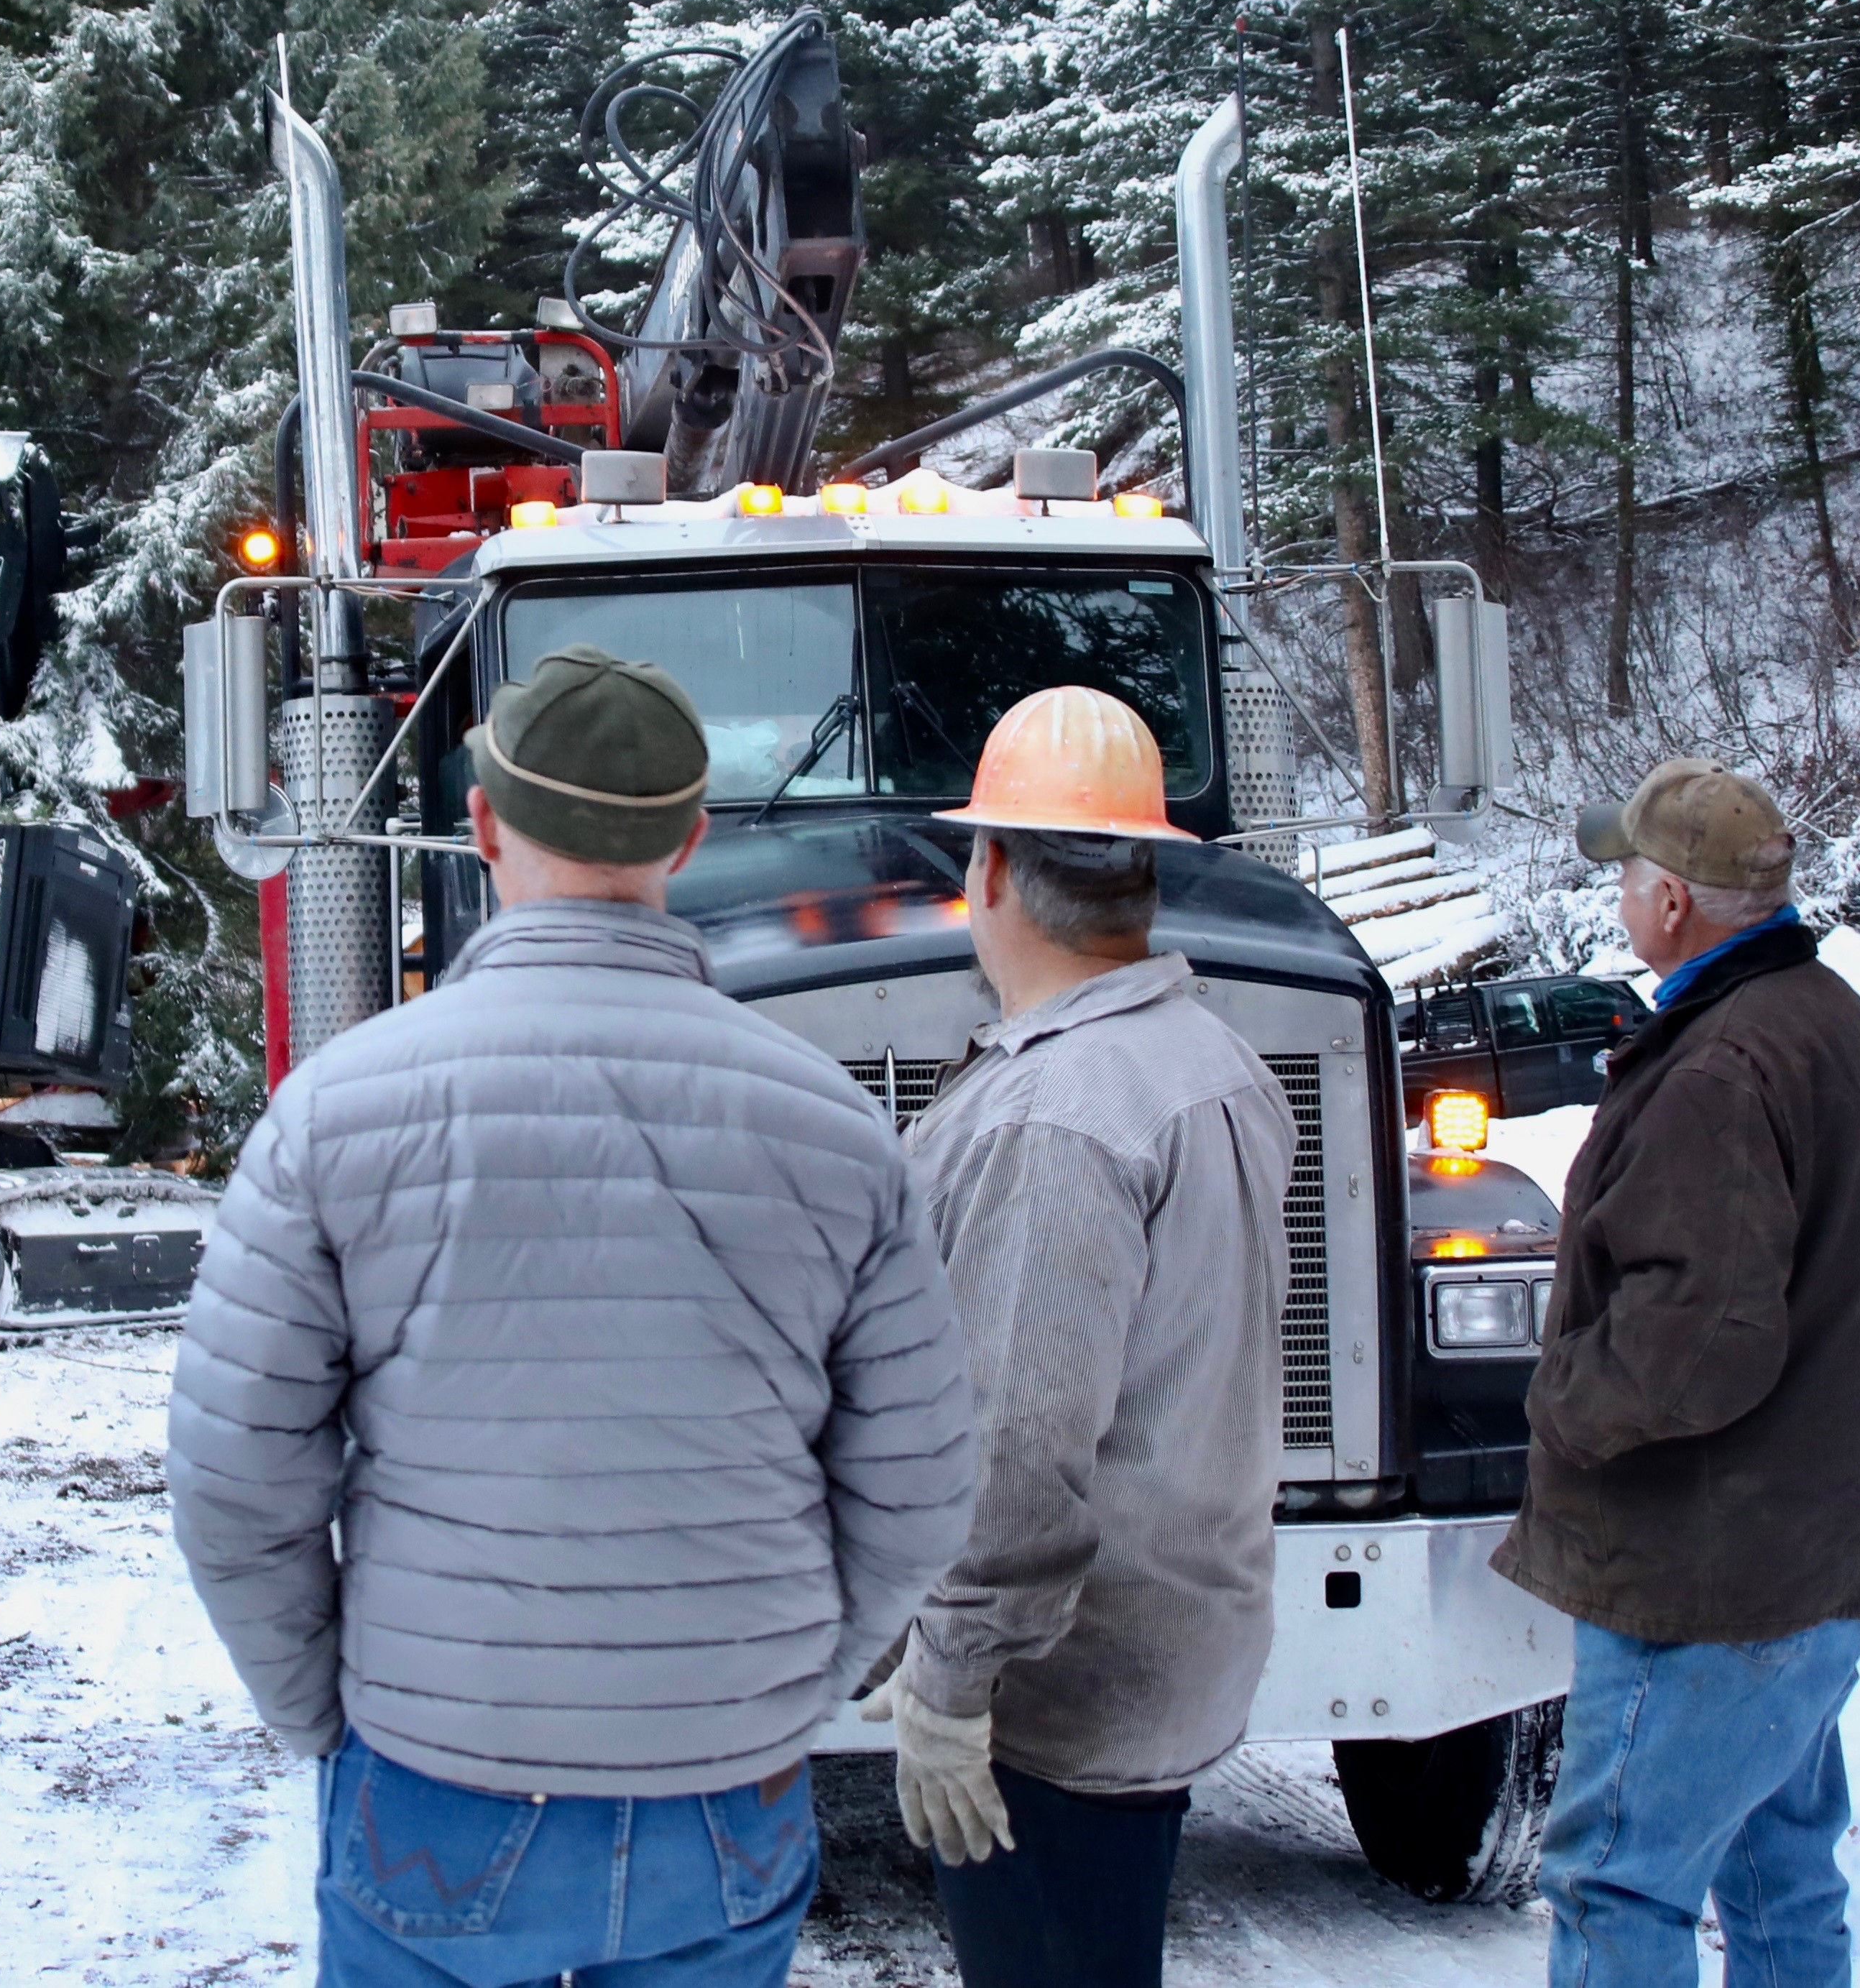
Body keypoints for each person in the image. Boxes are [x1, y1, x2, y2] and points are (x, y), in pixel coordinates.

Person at [168, 642, 976, 1988]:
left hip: (436, 1775)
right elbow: (923, 1484)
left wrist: (325, 1709)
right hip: (725, 1789)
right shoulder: (837, 1125)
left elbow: (233, 1476)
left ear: (483, 824)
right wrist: (785, 1680)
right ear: (691, 837)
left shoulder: (335, 1110)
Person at [865, 684, 1296, 1988]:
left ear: (988, 866)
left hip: (1057, 1694)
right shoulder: (1215, 1061)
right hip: (1169, 1645)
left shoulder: (1053, 1116)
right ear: (1145, 874)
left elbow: (1015, 1440)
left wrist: (949, 1682)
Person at [1496, 756, 1860, 1988]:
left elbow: (1693, 1344)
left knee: (1615, 1881)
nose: (1620, 901)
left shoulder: (1716, 1069)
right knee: (1776, 1864)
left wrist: (1559, 1398)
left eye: (1628, 877)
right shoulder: (1834, 1023)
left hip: (1712, 1573)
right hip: (1817, 1549)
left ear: (1674, 904)